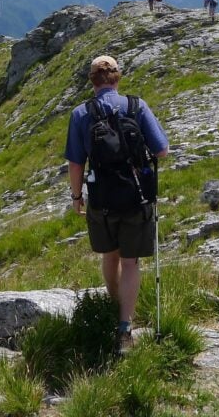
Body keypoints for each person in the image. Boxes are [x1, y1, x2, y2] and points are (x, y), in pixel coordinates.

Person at [65, 55, 169, 353]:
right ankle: (125, 328)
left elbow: (76, 162)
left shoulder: (81, 114)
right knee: (131, 262)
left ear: (92, 80)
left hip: (101, 199)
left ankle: (114, 302)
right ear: (117, 78)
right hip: (136, 197)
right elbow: (162, 151)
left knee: (109, 256)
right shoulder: (137, 106)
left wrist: (76, 197)